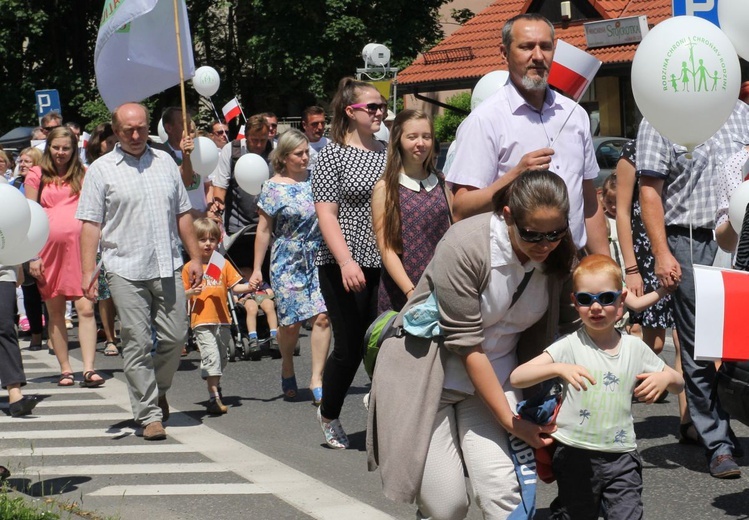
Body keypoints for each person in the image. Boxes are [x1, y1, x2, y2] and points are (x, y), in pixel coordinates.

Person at [368, 169, 576, 518]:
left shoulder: (559, 253)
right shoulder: (465, 245)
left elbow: (570, 322)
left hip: (497, 379)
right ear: (508, 215)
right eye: (532, 235)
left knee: (505, 495)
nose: (544, 245)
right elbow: (468, 345)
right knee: (447, 506)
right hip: (430, 379)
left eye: (555, 233)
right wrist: (512, 423)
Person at [510, 254, 684, 520]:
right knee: (575, 514)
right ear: (574, 302)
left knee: (628, 515)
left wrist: (665, 379)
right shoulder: (569, 345)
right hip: (575, 454)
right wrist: (558, 368)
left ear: (621, 300)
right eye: (585, 299)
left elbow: (679, 383)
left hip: (622, 454)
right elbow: (518, 377)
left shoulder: (634, 347)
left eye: (606, 298)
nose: (596, 307)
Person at [77, 102, 202, 441]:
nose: (135, 135)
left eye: (141, 128)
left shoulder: (165, 161)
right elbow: (90, 225)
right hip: (124, 266)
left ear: (149, 128)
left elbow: (182, 213)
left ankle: (158, 388)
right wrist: (88, 272)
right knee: (136, 341)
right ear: (116, 132)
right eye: (128, 130)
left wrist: (195, 258)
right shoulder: (101, 170)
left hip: (167, 263)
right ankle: (148, 414)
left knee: (176, 338)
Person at [637, 99, 749, 478]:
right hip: (690, 239)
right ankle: (717, 443)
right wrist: (661, 252)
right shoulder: (662, 110)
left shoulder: (740, 112)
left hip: (739, 237)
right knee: (701, 344)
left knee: (740, 341)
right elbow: (649, 190)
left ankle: (730, 417)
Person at [445, 14, 608, 256]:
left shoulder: (575, 115)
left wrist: (605, 265)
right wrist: (514, 176)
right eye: (526, 47)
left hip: (573, 265)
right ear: (504, 53)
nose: (538, 56)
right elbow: (460, 209)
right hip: (514, 268)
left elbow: (589, 201)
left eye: (545, 47)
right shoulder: (485, 120)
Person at [312, 77, 387, 448]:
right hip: (344, 262)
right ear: (351, 111)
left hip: (386, 260)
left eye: (381, 106)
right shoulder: (331, 155)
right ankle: (329, 412)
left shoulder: (388, 151)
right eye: (371, 107)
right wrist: (346, 262)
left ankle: (385, 409)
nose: (379, 112)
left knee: (388, 341)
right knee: (351, 346)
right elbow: (326, 214)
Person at [250, 129, 331, 405]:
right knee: (291, 323)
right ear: (284, 157)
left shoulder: (317, 181)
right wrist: (257, 269)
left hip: (317, 255)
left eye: (307, 152)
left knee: (322, 316)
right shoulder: (272, 187)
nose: (306, 157)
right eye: (299, 153)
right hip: (286, 259)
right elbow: (263, 230)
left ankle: (317, 378)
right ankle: (287, 366)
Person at [25, 127, 103, 388]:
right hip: (47, 252)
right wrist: (32, 255)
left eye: (66, 148)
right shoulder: (37, 174)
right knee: (55, 311)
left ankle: (89, 368)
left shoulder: (84, 173)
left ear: (74, 150)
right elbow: (29, 215)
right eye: (56, 147)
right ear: (48, 147)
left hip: (81, 251)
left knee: (86, 309)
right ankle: (66, 369)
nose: (60, 153)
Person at [371, 109, 452, 313]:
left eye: (426, 136)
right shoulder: (386, 187)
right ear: (398, 140)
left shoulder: (441, 181)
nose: (421, 143)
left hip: (442, 284)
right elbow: (387, 249)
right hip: (403, 291)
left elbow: (453, 231)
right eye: (412, 137)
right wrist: (411, 292)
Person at [184, 218, 254, 414]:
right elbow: (181, 293)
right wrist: (191, 293)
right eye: (202, 240)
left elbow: (235, 287)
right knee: (213, 357)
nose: (208, 243)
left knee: (222, 358)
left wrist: (250, 286)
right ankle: (214, 396)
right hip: (201, 320)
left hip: (223, 320)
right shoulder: (190, 267)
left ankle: (211, 375)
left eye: (212, 239)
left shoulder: (221, 264)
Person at [209, 113, 273, 269]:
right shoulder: (231, 150)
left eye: (263, 140)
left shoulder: (275, 151)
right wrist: (218, 204)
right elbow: (220, 185)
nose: (259, 145)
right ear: (247, 136)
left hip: (268, 227)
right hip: (237, 229)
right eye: (254, 140)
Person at [85, 123, 121, 357]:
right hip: (102, 239)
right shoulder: (92, 171)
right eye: (109, 142)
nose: (113, 145)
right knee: (106, 294)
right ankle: (110, 338)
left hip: (124, 238)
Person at [1, 263, 38, 417]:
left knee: (4, 326)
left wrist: (20, 265)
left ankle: (15, 394)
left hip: (4, 269)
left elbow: (17, 238)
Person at [301, 106, 329, 176]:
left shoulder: (331, 145)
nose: (320, 127)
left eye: (322, 123)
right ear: (304, 125)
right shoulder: (296, 145)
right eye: (315, 124)